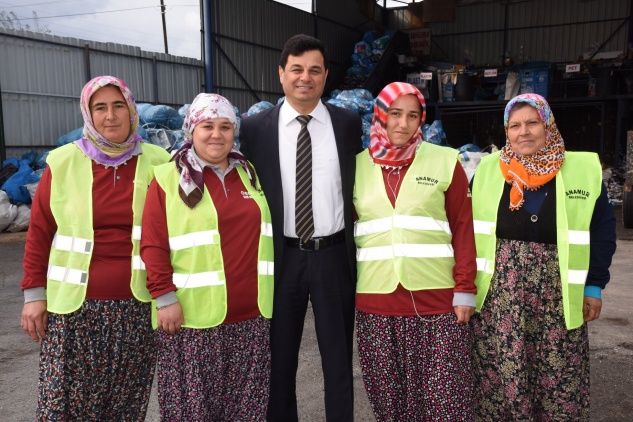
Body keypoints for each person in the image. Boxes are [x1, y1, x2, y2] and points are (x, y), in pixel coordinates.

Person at [20, 75, 170, 420]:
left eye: (118, 105)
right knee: (63, 407)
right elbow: (40, 232)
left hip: (136, 308)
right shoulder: (62, 162)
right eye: (100, 107)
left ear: (131, 110)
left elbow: (172, 232)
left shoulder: (159, 162)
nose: (111, 116)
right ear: (88, 114)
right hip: (74, 311)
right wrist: (33, 296)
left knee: (124, 408)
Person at [239, 34, 363, 421]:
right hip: (282, 258)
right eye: (296, 69)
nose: (304, 77)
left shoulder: (347, 124)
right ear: (281, 74)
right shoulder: (255, 128)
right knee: (278, 360)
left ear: (325, 76)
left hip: (334, 257)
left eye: (314, 70)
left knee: (338, 359)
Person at [471, 93, 617, 420]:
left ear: (548, 126)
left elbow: (602, 232)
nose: (523, 132)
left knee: (559, 376)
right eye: (514, 126)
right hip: (501, 299)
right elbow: (466, 231)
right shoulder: (488, 170)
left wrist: (594, 286)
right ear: (506, 132)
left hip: (559, 295)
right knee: (504, 377)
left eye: (532, 123)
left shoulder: (582, 169)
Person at [140, 93, 274, 421]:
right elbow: (153, 244)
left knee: (246, 410)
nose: (217, 134)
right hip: (191, 320)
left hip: (251, 317)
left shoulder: (249, 173)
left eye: (225, 126)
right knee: (192, 411)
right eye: (207, 126)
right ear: (191, 130)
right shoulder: (168, 178)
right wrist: (164, 298)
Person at [353, 82, 477, 421]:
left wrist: (465, 288)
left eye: (412, 116)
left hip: (438, 301)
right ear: (380, 115)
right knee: (390, 405)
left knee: (445, 402)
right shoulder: (357, 166)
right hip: (376, 303)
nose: (403, 124)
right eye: (395, 113)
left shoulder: (444, 161)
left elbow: (463, 227)